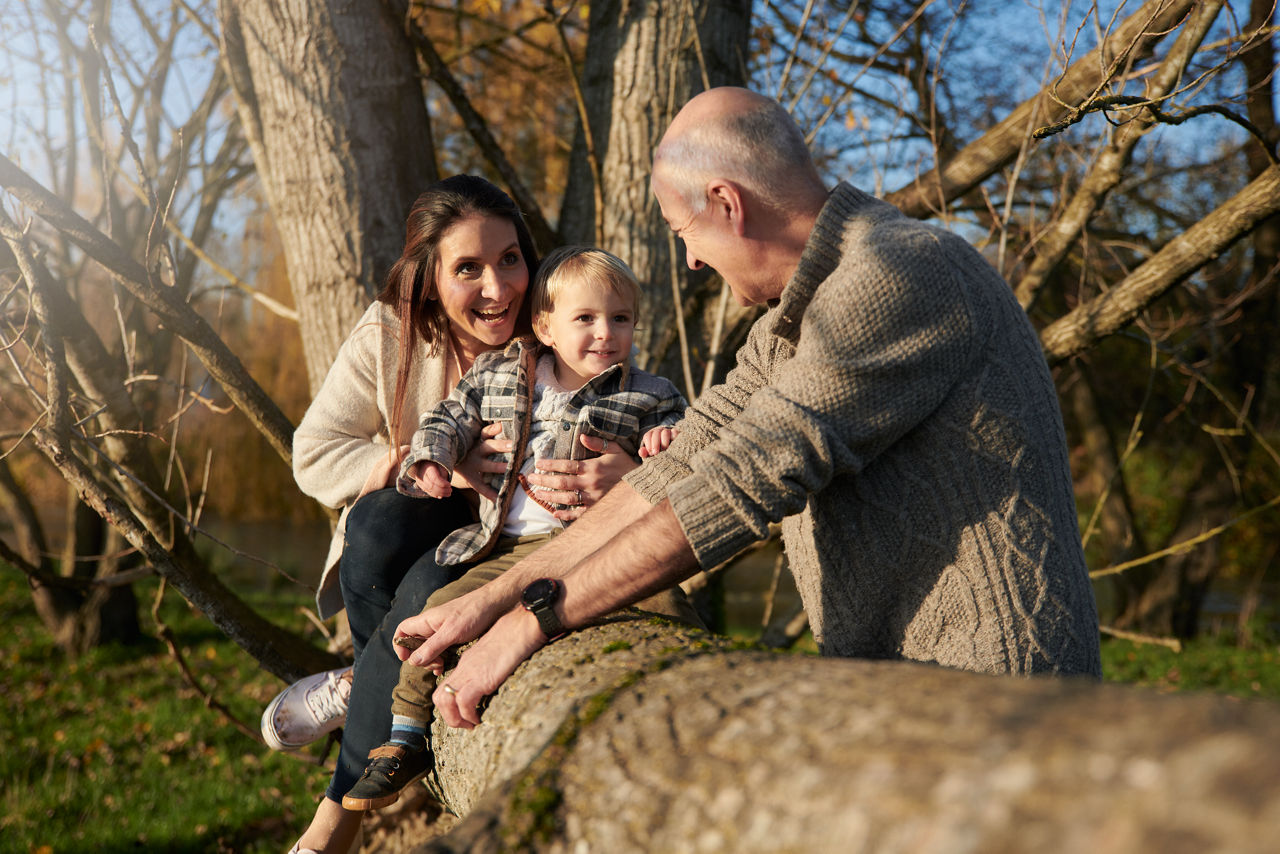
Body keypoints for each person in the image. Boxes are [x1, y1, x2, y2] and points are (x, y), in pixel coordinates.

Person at [390, 86, 1103, 732]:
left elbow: (743, 485)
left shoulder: (899, 273)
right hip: (901, 697)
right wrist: (496, 597)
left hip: (1000, 700)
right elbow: (684, 467)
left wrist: (534, 621)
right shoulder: (788, 326)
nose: (693, 262)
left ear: (728, 204)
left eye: (684, 232)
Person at [268, 177, 646, 854]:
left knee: (423, 593)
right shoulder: (390, 334)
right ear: (430, 277)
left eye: (509, 259)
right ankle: (374, 686)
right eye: (467, 268)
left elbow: (637, 419)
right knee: (376, 525)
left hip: (523, 536)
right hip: (437, 514)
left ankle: (339, 805)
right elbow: (314, 455)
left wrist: (625, 474)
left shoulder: (570, 318)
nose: (497, 288)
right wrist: (430, 459)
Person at [339, 245, 690, 811]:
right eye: (586, 319)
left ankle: (687, 675)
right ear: (546, 326)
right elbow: (451, 415)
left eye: (620, 319)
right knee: (441, 611)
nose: (606, 334)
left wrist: (661, 444)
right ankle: (404, 738)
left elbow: (687, 436)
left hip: (599, 542)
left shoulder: (650, 394)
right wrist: (432, 457)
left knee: (663, 600)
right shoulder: (501, 374)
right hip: (509, 546)